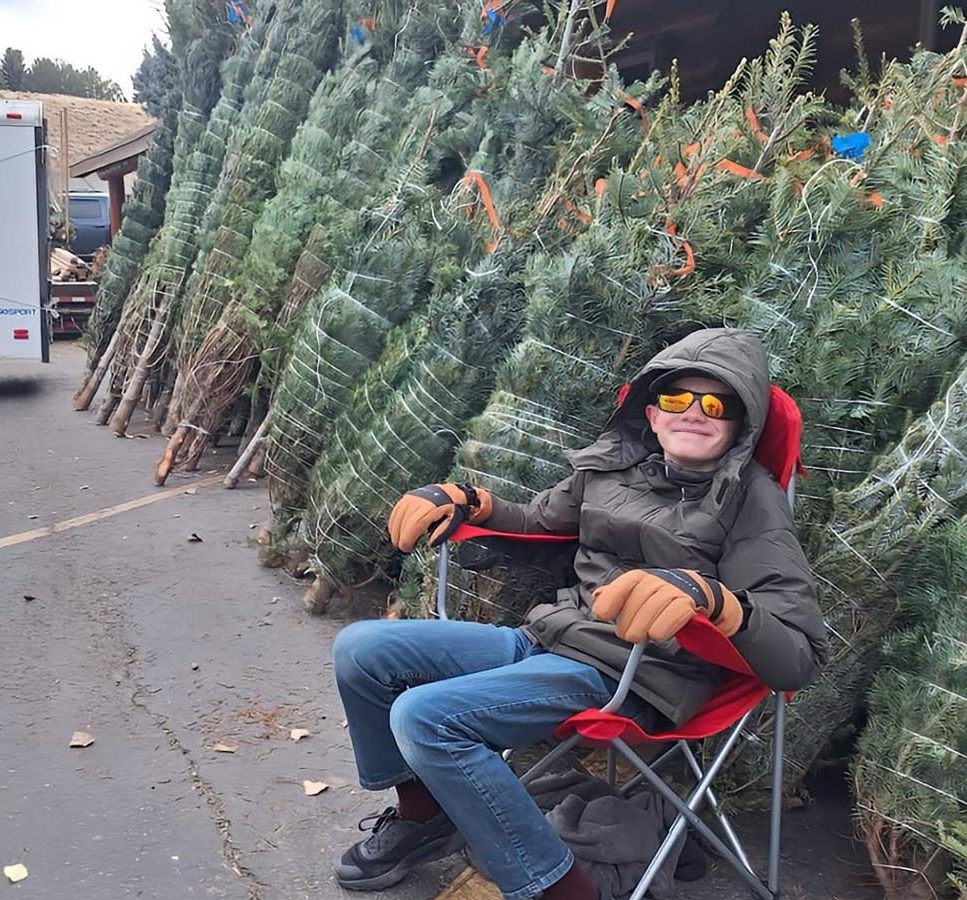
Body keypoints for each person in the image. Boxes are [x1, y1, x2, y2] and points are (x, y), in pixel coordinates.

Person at [329, 328, 829, 899]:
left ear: (743, 425)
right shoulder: (612, 467)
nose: (693, 413)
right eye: (676, 399)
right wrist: (471, 501)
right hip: (554, 636)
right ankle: (424, 816)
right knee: (362, 650)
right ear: (651, 412)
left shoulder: (749, 499)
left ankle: (562, 890)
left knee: (427, 718)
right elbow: (538, 519)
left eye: (717, 404)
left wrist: (715, 602)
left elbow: (798, 656)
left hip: (637, 673)